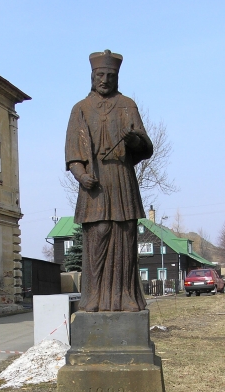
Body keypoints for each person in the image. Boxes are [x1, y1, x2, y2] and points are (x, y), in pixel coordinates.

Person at [65, 50, 153, 312]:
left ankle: (126, 296)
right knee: (99, 234)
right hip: (94, 184)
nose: (104, 80)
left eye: (110, 75)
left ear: (117, 77)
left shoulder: (127, 105)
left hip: (122, 179)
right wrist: (81, 176)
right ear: (92, 76)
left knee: (125, 236)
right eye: (100, 75)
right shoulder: (80, 109)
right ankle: (93, 297)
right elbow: (73, 154)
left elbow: (145, 147)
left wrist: (134, 140)